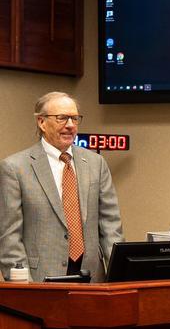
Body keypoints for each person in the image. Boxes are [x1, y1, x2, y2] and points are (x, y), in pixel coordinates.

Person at [0, 92, 122, 281]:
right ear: (41, 122)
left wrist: (119, 278)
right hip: (40, 280)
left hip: (92, 279)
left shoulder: (96, 163)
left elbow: (110, 225)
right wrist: (24, 287)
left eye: (74, 118)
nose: (71, 125)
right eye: (62, 118)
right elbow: (9, 237)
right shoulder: (15, 168)